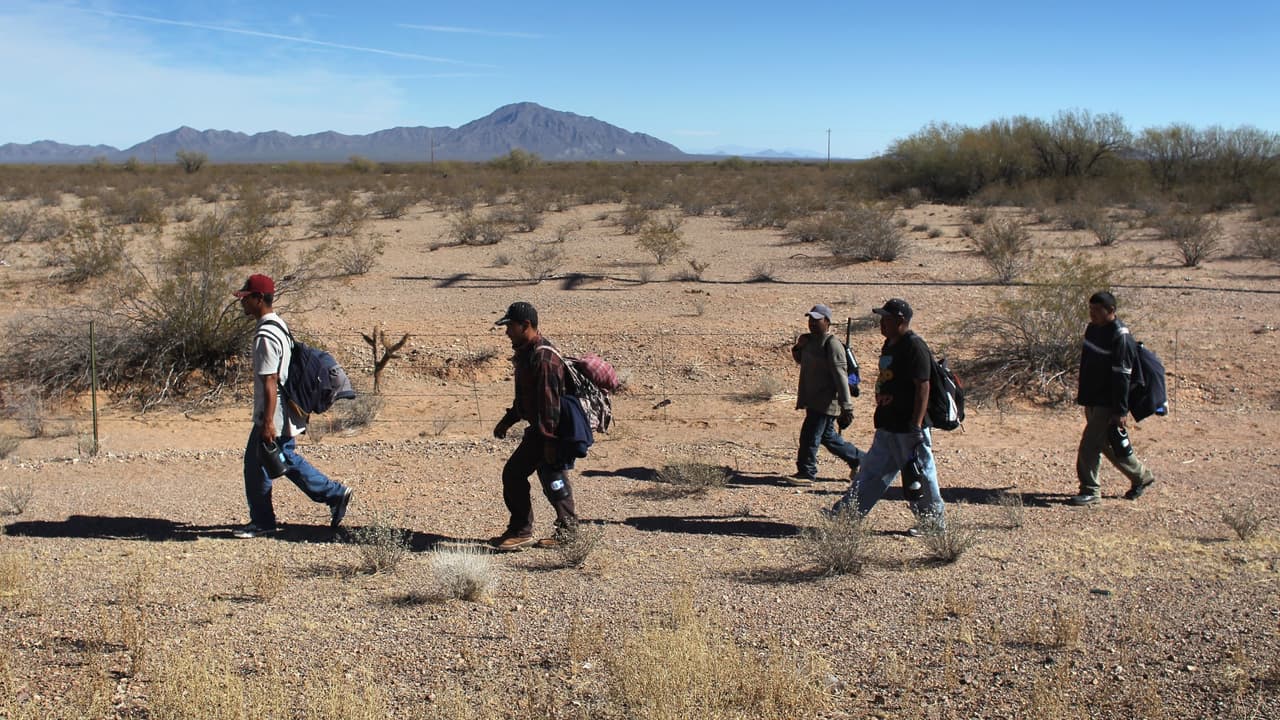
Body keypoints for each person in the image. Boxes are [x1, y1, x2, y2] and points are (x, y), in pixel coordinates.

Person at [233, 274, 353, 538]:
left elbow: (271, 380)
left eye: (246, 298)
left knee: (263, 463)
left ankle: (328, 495)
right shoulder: (279, 325)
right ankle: (331, 494)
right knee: (276, 460)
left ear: (259, 299)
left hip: (274, 413)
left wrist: (267, 422)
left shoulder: (265, 334)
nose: (242, 303)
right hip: (285, 409)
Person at [830, 298, 944, 533]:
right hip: (888, 422)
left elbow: (923, 386)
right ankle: (847, 514)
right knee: (873, 470)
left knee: (920, 472)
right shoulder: (890, 344)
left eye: (887, 319)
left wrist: (916, 424)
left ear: (901, 320)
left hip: (909, 425)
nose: (882, 323)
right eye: (882, 318)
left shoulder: (914, 346)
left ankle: (933, 522)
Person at [490, 301, 578, 552]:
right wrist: (507, 421)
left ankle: (521, 530)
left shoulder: (543, 358)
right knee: (553, 478)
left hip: (549, 431)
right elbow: (526, 398)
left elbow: (549, 403)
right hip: (543, 429)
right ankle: (568, 530)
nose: (507, 332)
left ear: (525, 326)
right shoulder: (527, 354)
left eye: (511, 327)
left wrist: (550, 440)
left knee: (515, 474)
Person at [1070, 291, 1156, 506]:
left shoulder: (1121, 338)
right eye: (1090, 310)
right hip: (1091, 398)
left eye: (1097, 311)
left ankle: (1090, 491)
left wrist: (1120, 410)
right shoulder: (1092, 330)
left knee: (1089, 446)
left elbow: (1122, 378)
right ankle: (1141, 476)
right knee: (1108, 444)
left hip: (1108, 403)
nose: (1093, 315)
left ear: (1111, 311)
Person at [788, 304, 862, 486]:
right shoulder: (809, 341)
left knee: (809, 436)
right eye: (810, 320)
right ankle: (861, 460)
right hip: (813, 399)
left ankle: (807, 472)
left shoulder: (833, 344)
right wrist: (798, 347)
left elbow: (841, 376)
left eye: (816, 320)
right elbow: (800, 360)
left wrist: (847, 406)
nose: (812, 323)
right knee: (828, 438)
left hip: (826, 401)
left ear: (827, 322)